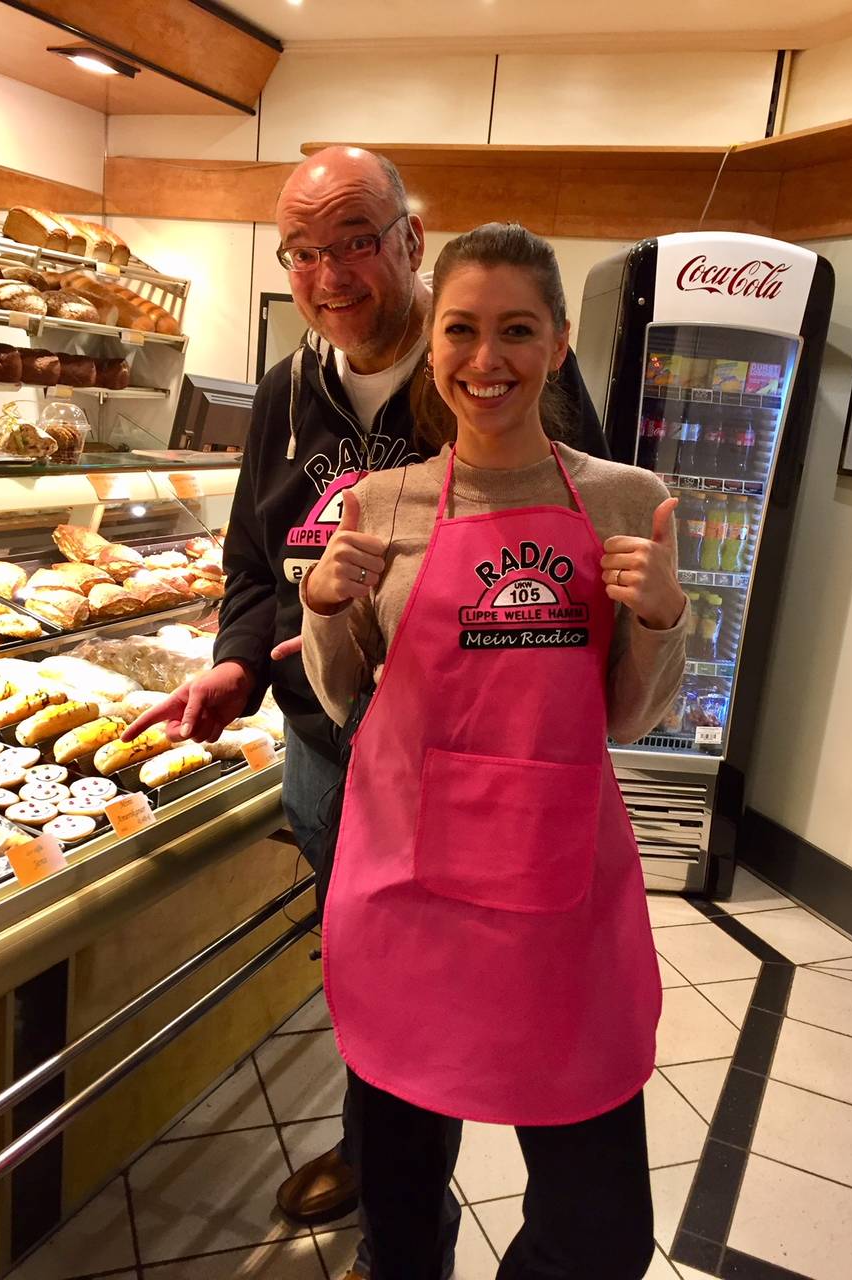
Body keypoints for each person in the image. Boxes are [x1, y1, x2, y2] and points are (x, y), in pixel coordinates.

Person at [125, 150, 610, 1280]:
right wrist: (237, 667)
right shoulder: (285, 390)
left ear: (411, 238)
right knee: (367, 970)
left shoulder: (487, 369)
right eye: (302, 251)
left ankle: (426, 1174)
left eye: (354, 239)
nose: (329, 273)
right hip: (321, 740)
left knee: (462, 982)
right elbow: (255, 562)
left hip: (461, 759)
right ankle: (380, 1165)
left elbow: (575, 544)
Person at [300, 222, 687, 1280]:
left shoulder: (623, 500)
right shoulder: (378, 505)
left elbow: (630, 718)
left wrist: (661, 616)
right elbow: (342, 694)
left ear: (559, 343)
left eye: (517, 330)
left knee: (602, 1233)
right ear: (432, 347)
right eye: (462, 330)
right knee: (400, 1210)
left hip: (560, 896)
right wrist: (324, 604)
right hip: (407, 895)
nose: (487, 358)